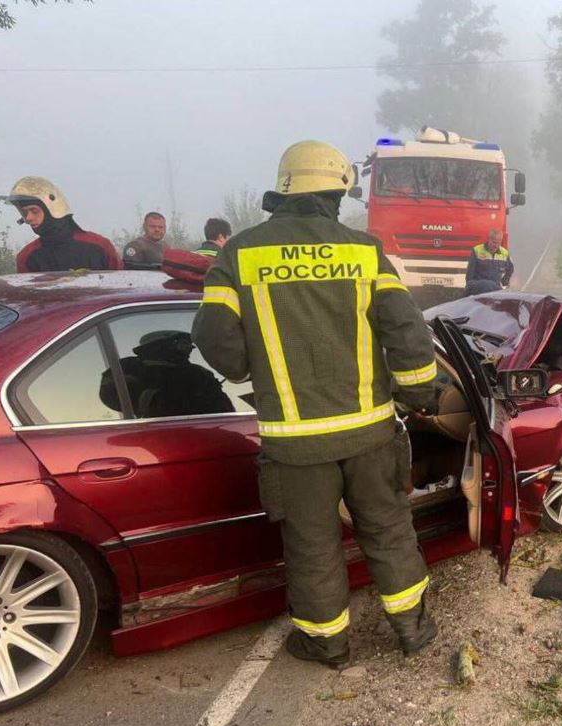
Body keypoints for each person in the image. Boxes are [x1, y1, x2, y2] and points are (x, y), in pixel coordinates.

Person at [192, 140, 440, 668]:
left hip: (295, 444)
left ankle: (325, 641)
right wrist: (419, 396)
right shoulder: (364, 251)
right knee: (388, 527)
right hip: (371, 435)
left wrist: (250, 369)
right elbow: (408, 334)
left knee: (312, 544)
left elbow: (216, 342)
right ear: (336, 192)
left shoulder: (239, 254)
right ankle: (413, 627)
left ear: (281, 192)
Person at [98, 330, 234, 418]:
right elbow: (111, 394)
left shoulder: (200, 374)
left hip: (201, 438)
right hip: (150, 438)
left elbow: (225, 411)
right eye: (183, 343)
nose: (190, 349)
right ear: (161, 345)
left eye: (190, 345)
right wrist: (156, 401)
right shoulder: (128, 367)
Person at [9, 177, 122, 273]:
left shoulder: (100, 247)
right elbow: (27, 297)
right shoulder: (27, 257)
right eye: (24, 213)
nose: (28, 218)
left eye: (34, 211)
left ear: (51, 209)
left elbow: (123, 288)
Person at [463, 228, 514, 296]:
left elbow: (510, 268)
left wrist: (505, 281)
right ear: (489, 239)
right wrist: (469, 288)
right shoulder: (477, 250)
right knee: (488, 285)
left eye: (498, 243)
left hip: (494, 290)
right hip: (479, 288)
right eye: (494, 242)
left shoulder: (504, 253)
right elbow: (470, 274)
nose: (496, 245)